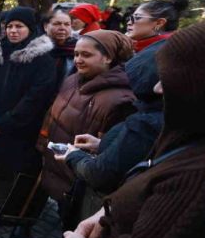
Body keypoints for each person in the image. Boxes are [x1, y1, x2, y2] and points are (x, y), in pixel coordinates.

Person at [64, 21, 205, 238]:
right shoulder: (188, 140)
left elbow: (105, 172)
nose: (157, 88)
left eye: (169, 78)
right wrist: (109, 212)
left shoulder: (195, 178)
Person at [40, 30, 136, 229]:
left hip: (82, 181)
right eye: (76, 54)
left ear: (108, 57)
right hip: (60, 168)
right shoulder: (72, 79)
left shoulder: (121, 100)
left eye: (86, 55)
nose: (78, 60)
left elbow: (110, 153)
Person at [0, 7, 56, 210]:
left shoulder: (42, 59)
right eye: (9, 26)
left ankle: (14, 213)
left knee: (19, 172)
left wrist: (7, 121)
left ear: (30, 28)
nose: (13, 31)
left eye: (19, 26)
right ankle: (1, 205)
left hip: (22, 129)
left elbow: (36, 97)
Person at [55, 80, 164, 224]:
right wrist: (102, 144)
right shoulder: (147, 114)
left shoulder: (145, 122)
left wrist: (73, 156)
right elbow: (128, 150)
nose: (158, 87)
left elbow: (102, 172)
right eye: (76, 55)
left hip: (100, 203)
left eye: (86, 55)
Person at [125, 0, 188, 104]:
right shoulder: (140, 46)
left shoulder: (168, 52)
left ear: (159, 23)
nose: (129, 22)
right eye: (130, 17)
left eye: (137, 18)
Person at [44, 9, 78, 87]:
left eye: (67, 24)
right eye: (57, 24)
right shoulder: (35, 51)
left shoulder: (78, 51)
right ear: (45, 26)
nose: (62, 28)